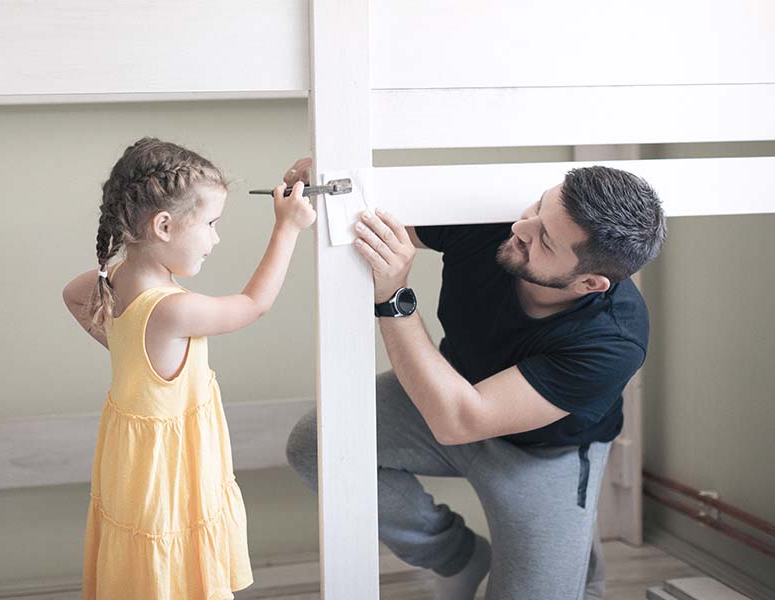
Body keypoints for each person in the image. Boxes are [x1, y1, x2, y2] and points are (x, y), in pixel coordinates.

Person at [285, 159, 666, 600]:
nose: (522, 228)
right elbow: (369, 232)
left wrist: (393, 297)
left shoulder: (616, 339)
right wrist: (333, 182)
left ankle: (575, 570)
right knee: (318, 445)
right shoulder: (500, 225)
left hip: (545, 453)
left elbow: (460, 421)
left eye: (544, 239)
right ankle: (460, 560)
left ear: (589, 283)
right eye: (538, 207)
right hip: (449, 388)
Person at [62, 138, 316, 599]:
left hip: (132, 466)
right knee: (173, 573)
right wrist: (287, 229)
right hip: (167, 474)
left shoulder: (114, 278)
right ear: (164, 225)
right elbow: (253, 305)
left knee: (144, 571)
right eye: (211, 224)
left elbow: (72, 294)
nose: (216, 238)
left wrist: (123, 349)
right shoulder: (171, 309)